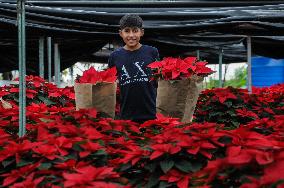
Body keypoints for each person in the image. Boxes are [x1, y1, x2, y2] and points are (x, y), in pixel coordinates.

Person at [108, 14, 159, 123]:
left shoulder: (152, 52)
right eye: (127, 31)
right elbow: (111, 85)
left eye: (135, 31)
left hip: (152, 113)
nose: (131, 35)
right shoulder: (114, 57)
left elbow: (159, 80)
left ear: (142, 32)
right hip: (126, 116)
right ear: (121, 33)